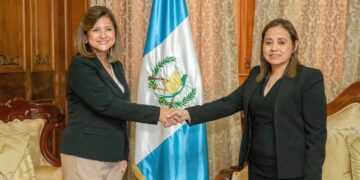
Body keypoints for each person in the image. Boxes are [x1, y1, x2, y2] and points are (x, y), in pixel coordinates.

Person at [169, 18, 327, 180]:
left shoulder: (309, 78)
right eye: (268, 42)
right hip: (256, 167)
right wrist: (187, 113)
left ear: (294, 45)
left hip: (290, 172)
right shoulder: (255, 76)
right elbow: (227, 104)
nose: (274, 48)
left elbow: (316, 136)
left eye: (281, 42)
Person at [60, 6, 178, 180]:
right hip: (85, 154)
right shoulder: (81, 65)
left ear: (115, 33)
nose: (103, 35)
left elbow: (121, 114)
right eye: (96, 30)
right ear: (85, 36)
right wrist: (157, 113)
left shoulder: (116, 66)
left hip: (113, 157)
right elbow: (107, 105)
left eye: (108, 29)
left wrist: (123, 154)